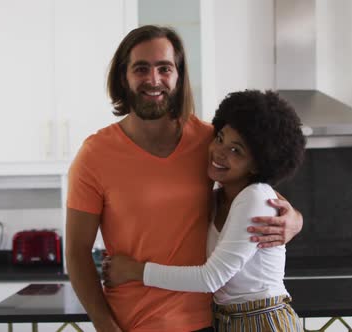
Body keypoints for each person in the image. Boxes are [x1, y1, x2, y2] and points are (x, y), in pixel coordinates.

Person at [66, 25, 304, 332]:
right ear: (123, 77)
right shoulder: (95, 155)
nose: (153, 80)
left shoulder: (207, 141)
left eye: (164, 68)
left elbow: (263, 194)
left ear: (178, 77)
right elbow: (76, 251)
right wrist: (105, 327)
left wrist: (295, 220)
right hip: (133, 324)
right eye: (141, 68)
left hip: (207, 321)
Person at [102, 90, 306, 331]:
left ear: (258, 164)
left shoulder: (255, 197)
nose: (219, 152)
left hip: (261, 321)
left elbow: (211, 278)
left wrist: (132, 270)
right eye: (220, 138)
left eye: (236, 150)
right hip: (229, 320)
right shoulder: (218, 198)